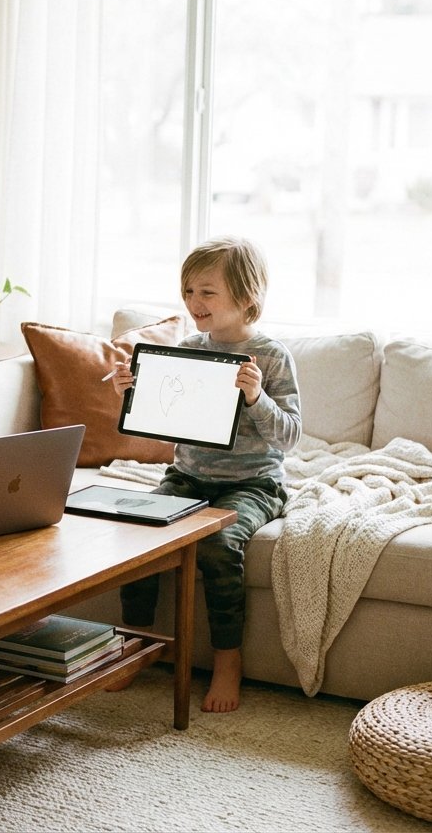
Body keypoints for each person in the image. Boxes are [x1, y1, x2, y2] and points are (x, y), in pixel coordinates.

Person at [106, 237, 301, 713]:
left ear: (246, 298)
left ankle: (226, 660)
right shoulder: (190, 347)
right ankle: (135, 643)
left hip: (253, 482)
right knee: (136, 531)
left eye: (208, 293)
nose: (194, 303)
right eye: (189, 291)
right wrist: (130, 393)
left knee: (217, 544)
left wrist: (258, 398)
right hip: (188, 475)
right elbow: (165, 418)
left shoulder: (272, 357)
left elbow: (291, 436)